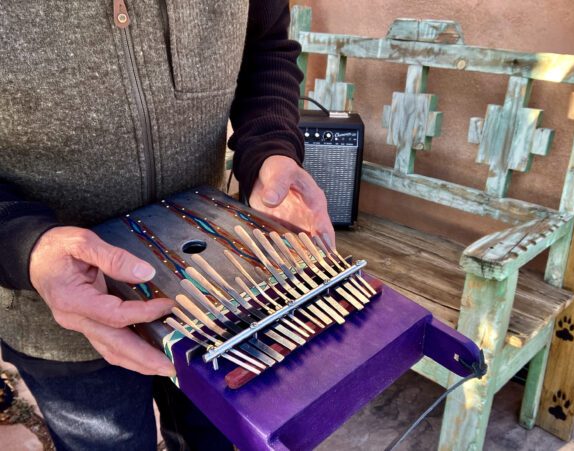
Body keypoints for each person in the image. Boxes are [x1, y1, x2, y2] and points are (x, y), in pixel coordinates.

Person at [0, 1, 334, 449]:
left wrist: (272, 149)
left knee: (212, 438)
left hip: (218, 296)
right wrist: (24, 244)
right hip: (55, 314)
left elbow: (265, 48)